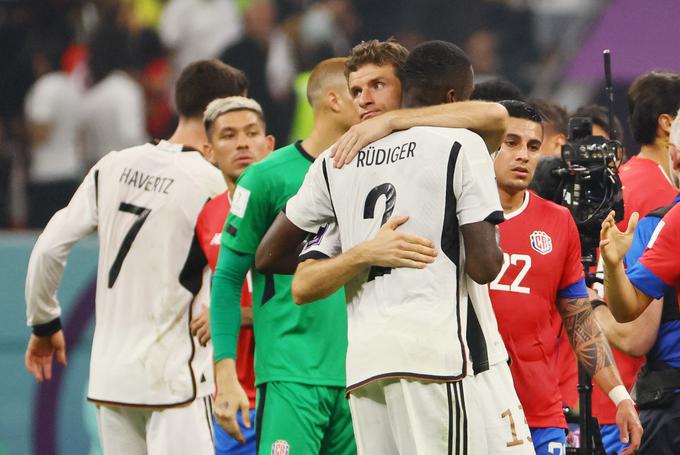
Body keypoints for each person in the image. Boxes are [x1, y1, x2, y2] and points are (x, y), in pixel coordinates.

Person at [256, 38, 529, 455]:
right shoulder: (456, 144)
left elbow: (271, 256)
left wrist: (393, 122)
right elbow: (485, 265)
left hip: (367, 365)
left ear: (406, 84)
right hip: (440, 358)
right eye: (357, 91)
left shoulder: (336, 165)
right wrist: (365, 252)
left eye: (377, 85)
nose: (364, 99)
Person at [24, 59, 248, 455]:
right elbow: (236, 273)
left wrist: (44, 323)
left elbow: (49, 247)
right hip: (175, 381)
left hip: (111, 380)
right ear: (223, 114)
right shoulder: (212, 184)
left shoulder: (112, 166)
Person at [209, 58, 358, 455]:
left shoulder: (378, 173)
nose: (372, 101)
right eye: (359, 92)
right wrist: (225, 374)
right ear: (333, 100)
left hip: (365, 373)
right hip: (293, 373)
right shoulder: (266, 177)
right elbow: (226, 279)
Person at [487, 100, 642, 455]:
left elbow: (578, 319)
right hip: (474, 405)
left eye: (532, 146)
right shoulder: (459, 218)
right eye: (510, 143)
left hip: (542, 414)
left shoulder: (557, 222)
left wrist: (619, 396)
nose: (523, 155)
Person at [195, 96, 274, 455]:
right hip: (234, 394)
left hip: (287, 387)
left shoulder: (297, 206)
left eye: (252, 133)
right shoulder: (208, 214)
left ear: (269, 144)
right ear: (209, 151)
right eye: (228, 135)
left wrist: (236, 316)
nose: (243, 143)